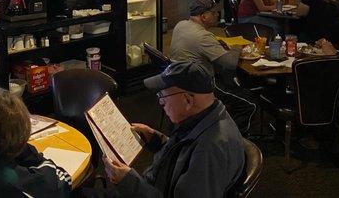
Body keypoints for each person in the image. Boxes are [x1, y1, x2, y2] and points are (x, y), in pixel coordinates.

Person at [100, 60, 244, 198]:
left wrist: (129, 182)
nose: (160, 102)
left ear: (187, 100)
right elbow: (184, 155)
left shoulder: (210, 151)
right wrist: (156, 139)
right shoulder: (206, 117)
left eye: (163, 96)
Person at [169, 0, 257, 133]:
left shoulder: (181, 25)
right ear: (204, 16)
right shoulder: (203, 36)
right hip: (201, 86)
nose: (217, 15)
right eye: (214, 12)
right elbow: (229, 64)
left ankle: (218, 122)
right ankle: (233, 140)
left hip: (179, 82)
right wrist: (237, 47)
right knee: (250, 104)